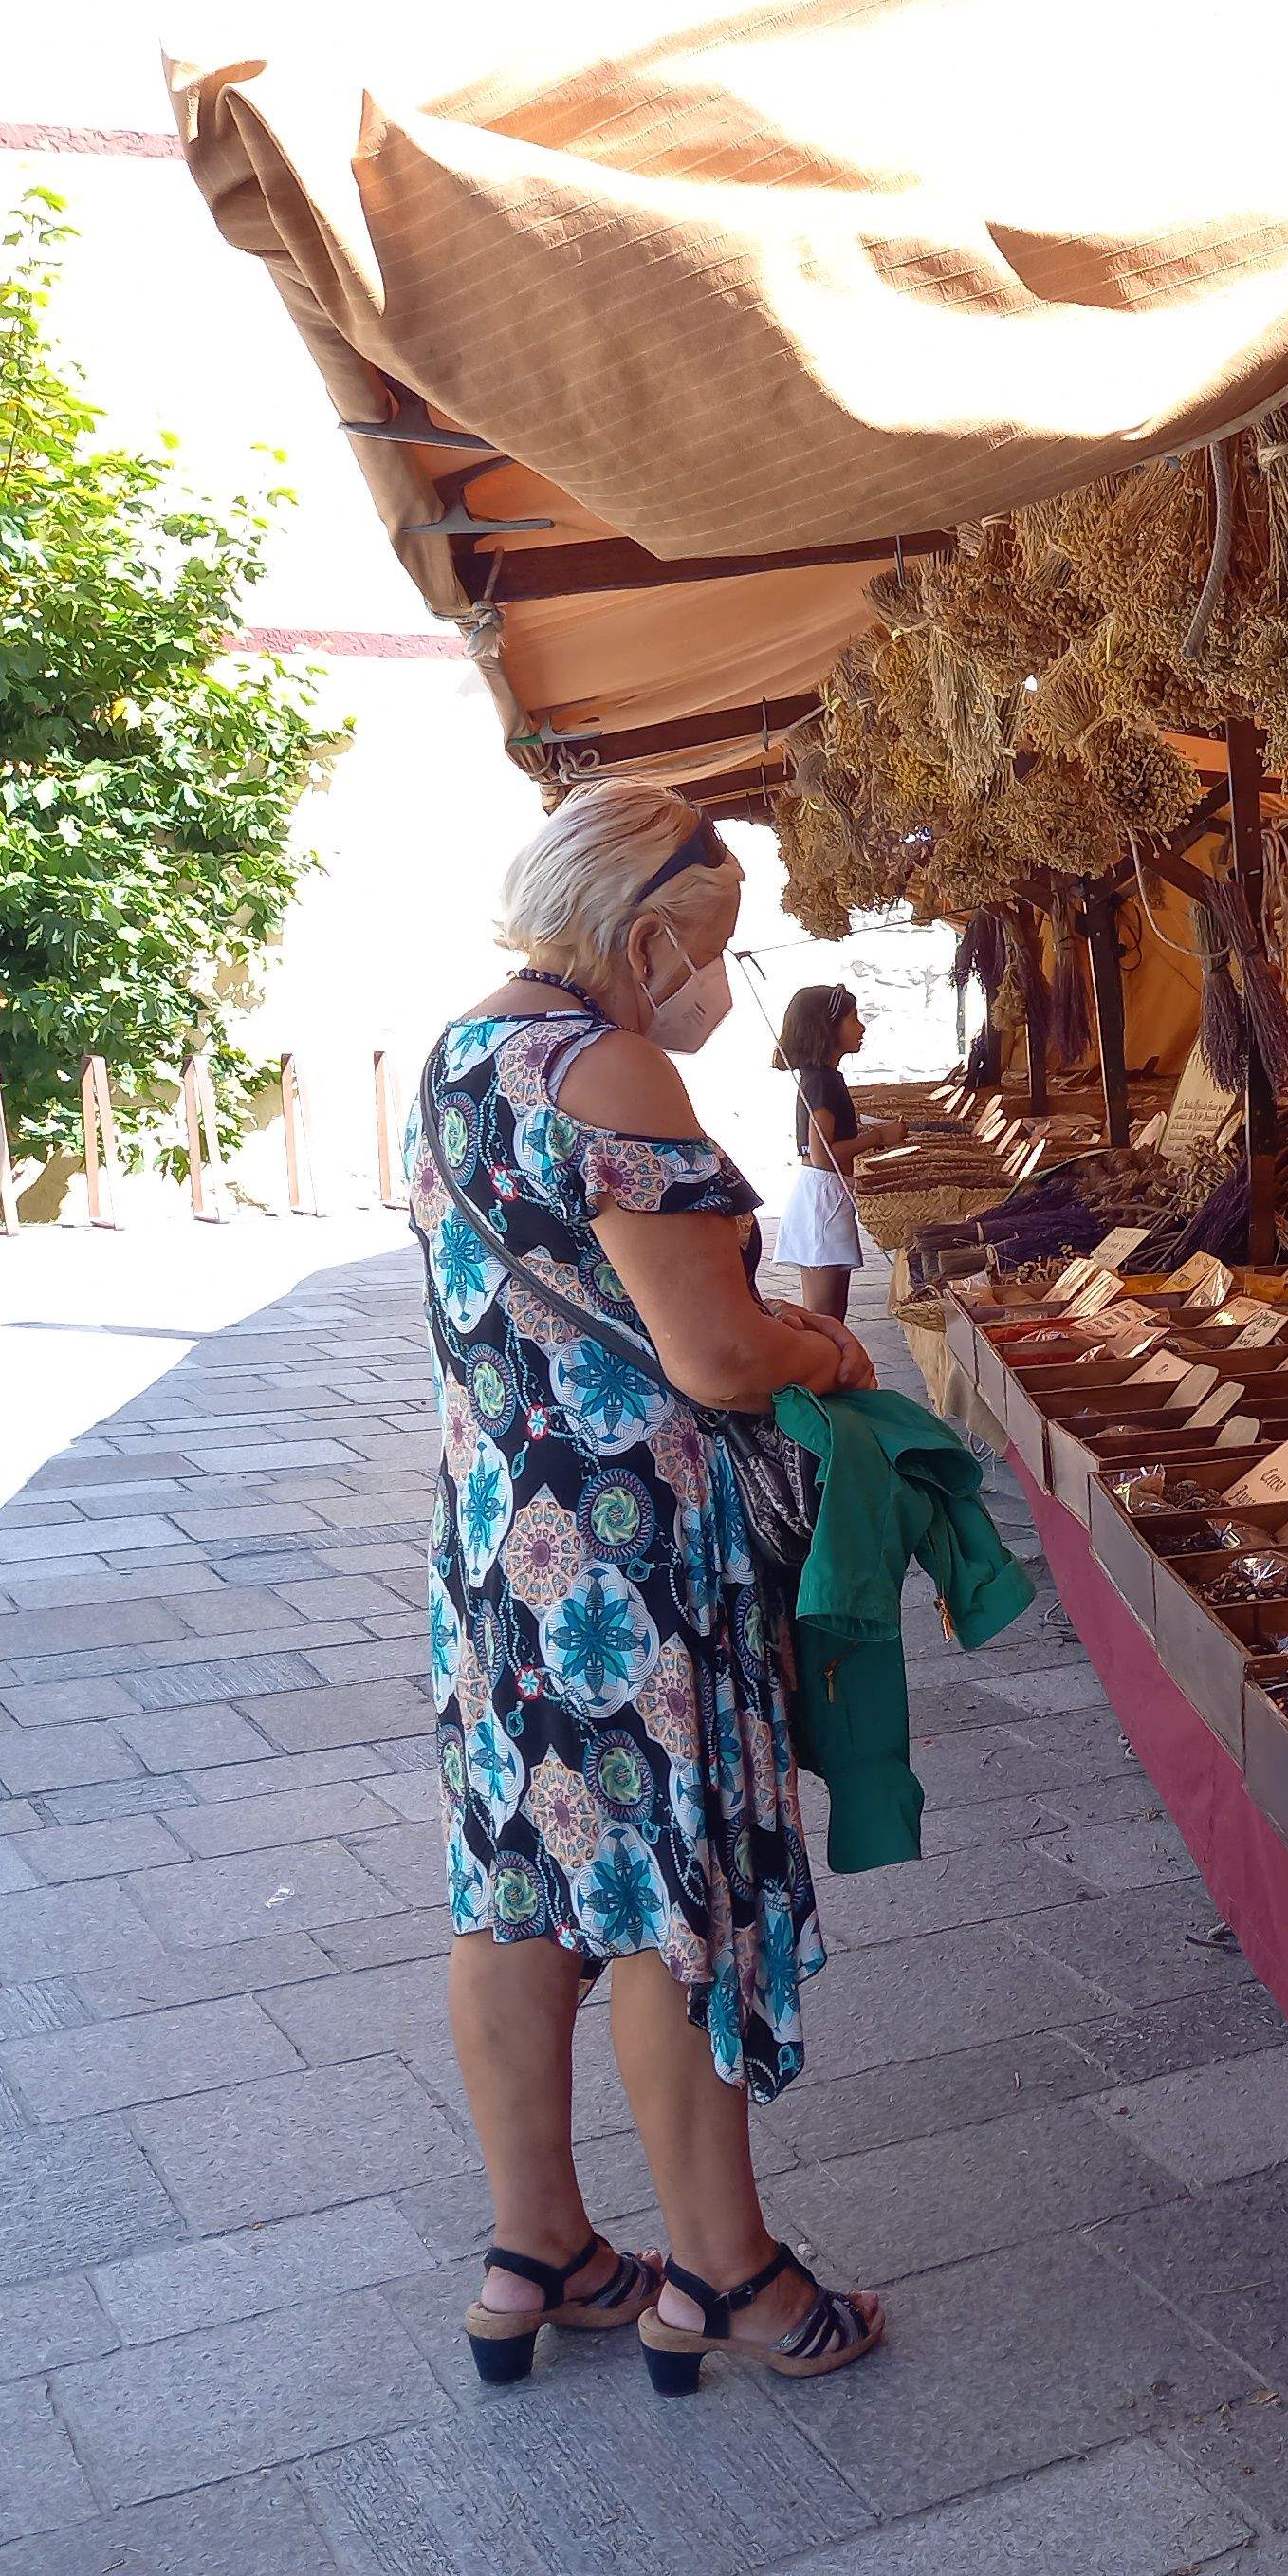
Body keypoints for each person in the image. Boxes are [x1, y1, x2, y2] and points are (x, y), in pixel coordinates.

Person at [412, 778, 892, 2395]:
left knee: (519, 1891)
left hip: (499, 1552)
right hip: (633, 1557)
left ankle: (534, 2249)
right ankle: (726, 2272)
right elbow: (714, 1351)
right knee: (664, 1906)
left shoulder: (456, 1054)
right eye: (715, 949)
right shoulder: (606, 1067)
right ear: (641, 930)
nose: (718, 986)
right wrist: (825, 1345)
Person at [766, 983, 902, 1322]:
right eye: (853, 1019)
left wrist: (852, 1183)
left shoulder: (820, 1078)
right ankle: (817, 1372)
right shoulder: (824, 1082)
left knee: (827, 1315)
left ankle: (822, 1372)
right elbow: (822, 1154)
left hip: (821, 1193)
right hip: (821, 1200)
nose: (862, 1028)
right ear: (829, 1029)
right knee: (826, 1318)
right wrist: (879, 1136)